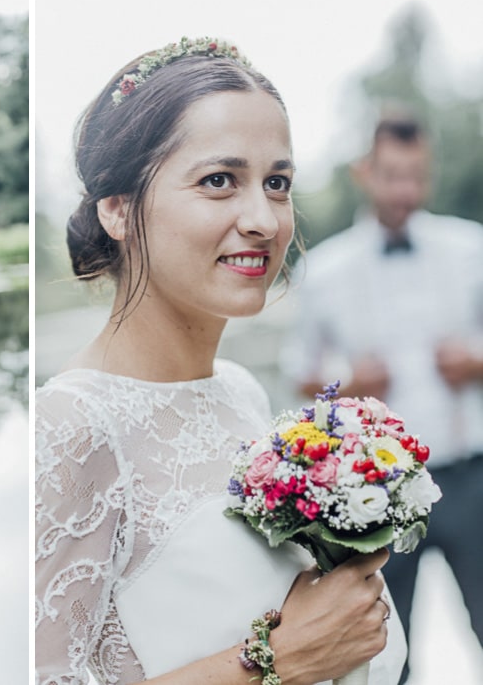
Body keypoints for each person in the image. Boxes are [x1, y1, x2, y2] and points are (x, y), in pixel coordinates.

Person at [35, 36, 408, 685]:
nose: (264, 218)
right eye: (218, 181)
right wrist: (274, 661)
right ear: (118, 209)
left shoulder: (240, 392)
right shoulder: (69, 430)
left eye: (277, 183)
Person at [281, 114, 483, 683]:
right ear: (365, 172)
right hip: (377, 496)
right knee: (386, 650)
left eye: (417, 176)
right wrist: (346, 384)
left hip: (473, 477)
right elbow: (302, 377)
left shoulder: (472, 248)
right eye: (393, 175)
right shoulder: (324, 270)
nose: (405, 191)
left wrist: (475, 363)